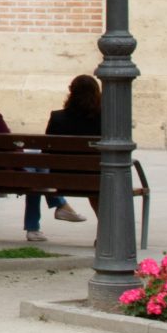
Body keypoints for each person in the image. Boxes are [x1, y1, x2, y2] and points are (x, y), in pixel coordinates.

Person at [26, 74, 100, 238]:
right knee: (99, 185)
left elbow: (46, 152)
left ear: (71, 92)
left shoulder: (58, 117)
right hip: (94, 179)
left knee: (33, 174)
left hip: (59, 179)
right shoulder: (104, 119)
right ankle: (105, 233)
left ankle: (34, 226)